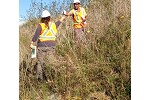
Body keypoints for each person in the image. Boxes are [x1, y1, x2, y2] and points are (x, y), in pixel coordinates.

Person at [30, 10, 65, 81]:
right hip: (51, 46)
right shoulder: (53, 25)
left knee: (40, 63)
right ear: (49, 17)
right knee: (50, 62)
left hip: (41, 46)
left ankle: (39, 79)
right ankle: (50, 78)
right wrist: (64, 16)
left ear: (42, 18)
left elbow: (36, 35)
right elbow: (59, 22)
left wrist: (32, 43)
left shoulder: (40, 25)